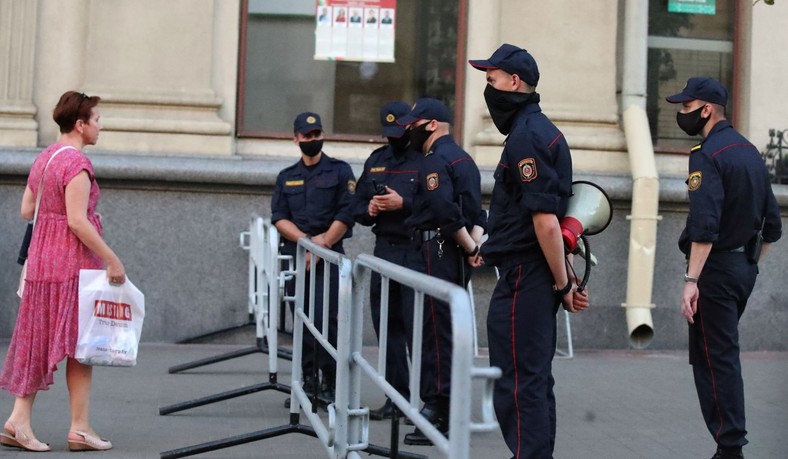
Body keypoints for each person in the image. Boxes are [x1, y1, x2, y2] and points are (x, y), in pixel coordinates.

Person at [468, 44, 589, 459]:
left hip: (526, 276)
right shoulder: (542, 131)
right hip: (533, 272)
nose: (488, 89)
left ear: (514, 82)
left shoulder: (526, 137)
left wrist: (561, 283)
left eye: (491, 80)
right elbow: (552, 216)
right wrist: (566, 280)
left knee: (518, 381)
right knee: (533, 378)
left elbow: (545, 222)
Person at [0, 91, 123, 452]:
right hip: (72, 265)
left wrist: (50, 213)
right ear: (80, 124)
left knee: (38, 340)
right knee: (80, 348)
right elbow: (78, 222)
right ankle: (80, 428)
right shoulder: (78, 165)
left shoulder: (46, 158)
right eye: (97, 119)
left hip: (41, 263)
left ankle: (19, 419)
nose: (101, 125)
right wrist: (113, 259)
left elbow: (27, 210)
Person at [666, 77, 781, 459]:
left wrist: (691, 280)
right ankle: (728, 445)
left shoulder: (707, 153)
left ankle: (729, 448)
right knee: (720, 355)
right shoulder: (748, 150)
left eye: (686, 107)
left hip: (714, 272)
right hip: (741, 268)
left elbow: (704, 224)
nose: (681, 114)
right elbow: (773, 225)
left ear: (707, 110)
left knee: (715, 360)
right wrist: (746, 265)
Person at [396, 98, 485, 445]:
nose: (408, 129)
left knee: (434, 332)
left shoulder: (435, 160)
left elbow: (445, 211)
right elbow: (478, 213)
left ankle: (439, 409)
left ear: (431, 124)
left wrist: (469, 246)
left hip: (437, 249)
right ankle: (444, 405)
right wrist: (473, 246)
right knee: (444, 330)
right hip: (450, 252)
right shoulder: (464, 159)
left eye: (412, 124)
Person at [271, 112, 356, 407]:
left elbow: (347, 212)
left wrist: (321, 245)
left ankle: (332, 381)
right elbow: (279, 217)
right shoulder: (287, 177)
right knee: (304, 320)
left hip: (331, 258)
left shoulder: (340, 171)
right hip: (299, 257)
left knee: (329, 320)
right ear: (296, 139)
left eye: (317, 134)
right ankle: (308, 380)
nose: (313, 139)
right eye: (307, 136)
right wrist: (306, 243)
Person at [354, 102, 421, 420]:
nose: (396, 137)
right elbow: (355, 207)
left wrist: (403, 203)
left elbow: (437, 204)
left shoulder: (425, 159)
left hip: (416, 251)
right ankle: (396, 398)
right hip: (385, 250)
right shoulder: (376, 161)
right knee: (388, 326)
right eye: (390, 132)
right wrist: (370, 210)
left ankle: (428, 403)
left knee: (416, 328)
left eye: (401, 131)